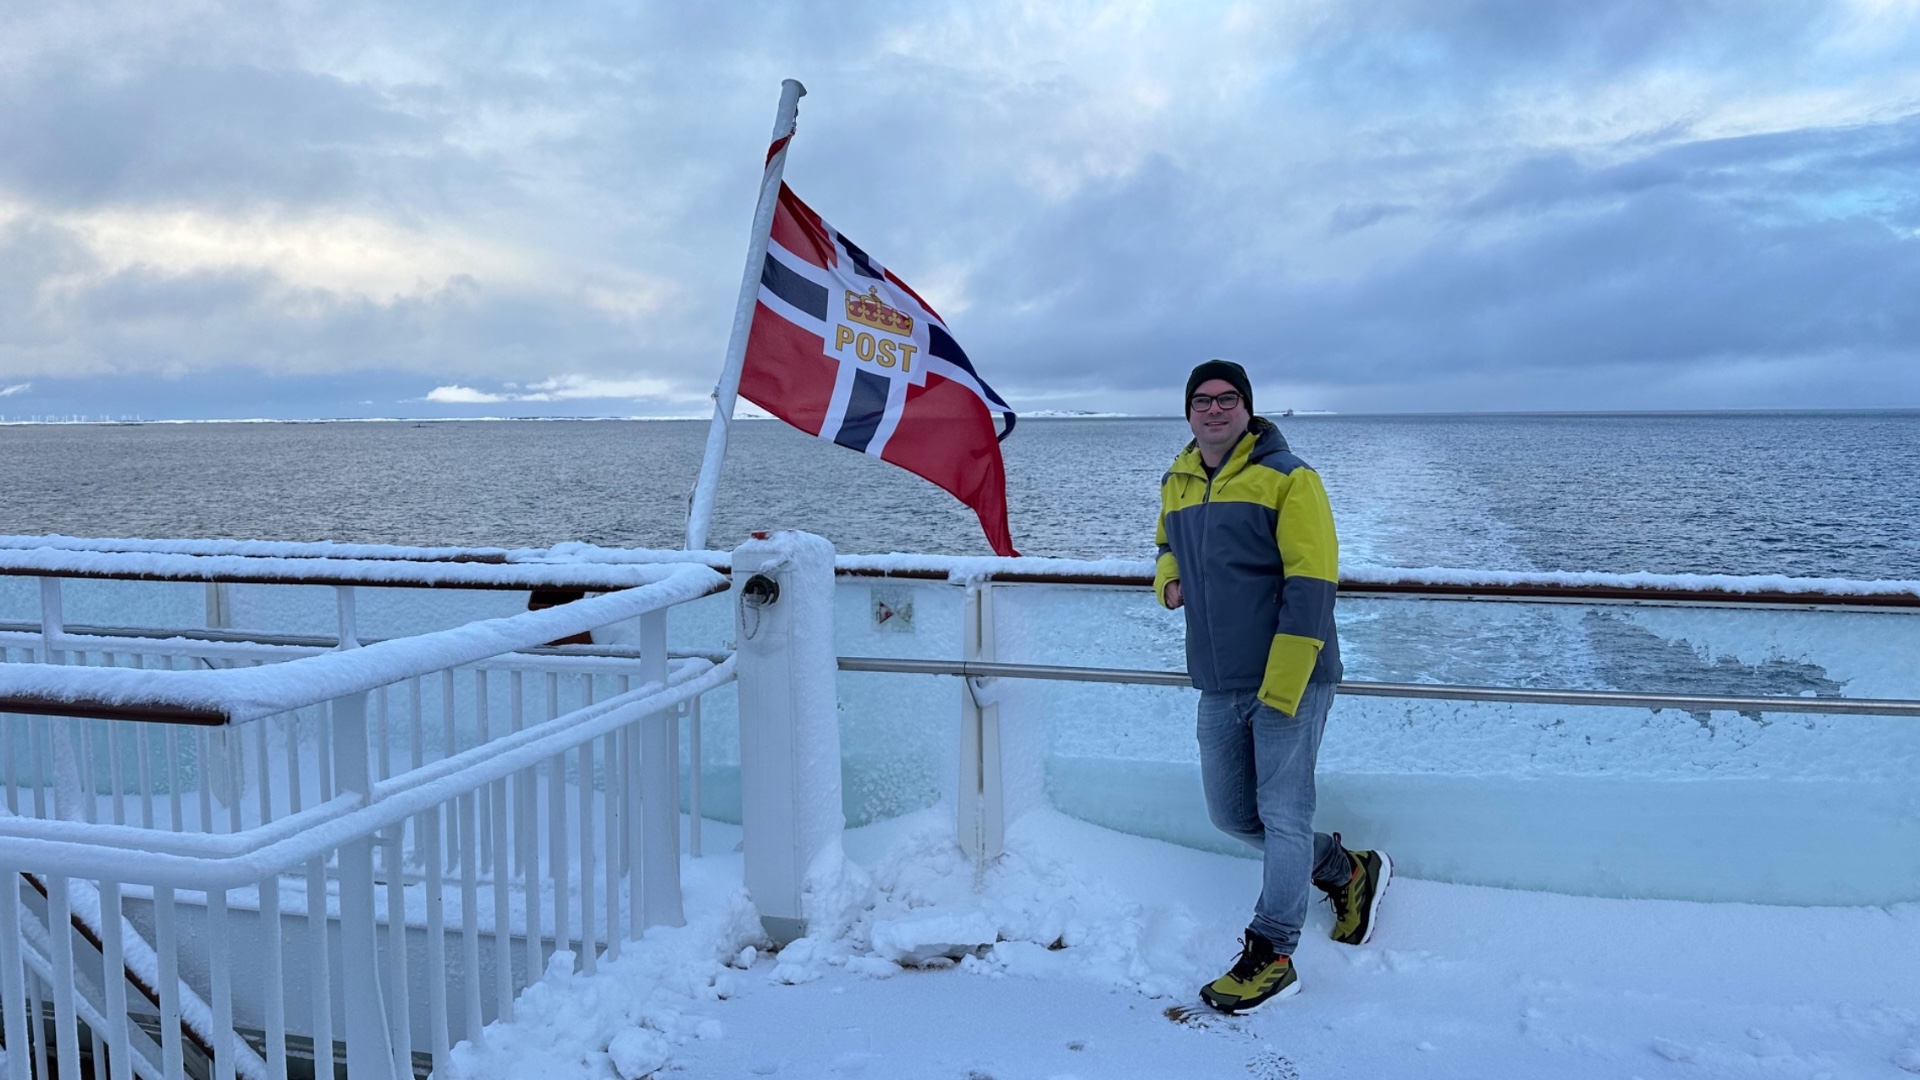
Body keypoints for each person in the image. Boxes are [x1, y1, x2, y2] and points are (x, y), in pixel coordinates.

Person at [1153, 359, 1391, 1014]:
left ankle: (1273, 952)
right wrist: (1167, 578)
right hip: (1217, 676)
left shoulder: (1291, 477)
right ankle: (1349, 871)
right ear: (1188, 412)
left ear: (1248, 409)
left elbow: (1313, 584)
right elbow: (1162, 543)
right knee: (1232, 814)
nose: (1214, 409)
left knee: (1285, 814)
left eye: (1228, 399)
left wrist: (1282, 685)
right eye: (1202, 400)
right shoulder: (1177, 479)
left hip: (1289, 676)